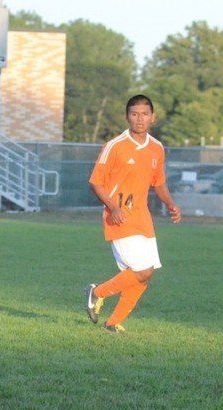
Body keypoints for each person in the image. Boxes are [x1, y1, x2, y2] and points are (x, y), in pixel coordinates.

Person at [85, 94, 182, 333]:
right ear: (126, 116)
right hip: (119, 216)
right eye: (134, 114)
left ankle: (112, 323)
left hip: (143, 217)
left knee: (144, 275)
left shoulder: (157, 148)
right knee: (142, 271)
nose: (139, 119)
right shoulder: (114, 146)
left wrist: (171, 204)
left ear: (153, 117)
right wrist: (113, 207)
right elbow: (96, 183)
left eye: (144, 114)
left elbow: (158, 183)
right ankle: (96, 293)